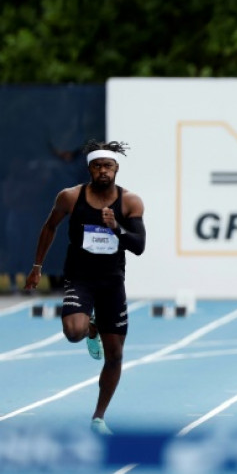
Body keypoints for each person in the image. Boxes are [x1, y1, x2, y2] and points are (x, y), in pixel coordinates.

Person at [24, 140, 146, 435]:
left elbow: (139, 246)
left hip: (112, 282)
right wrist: (37, 266)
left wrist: (115, 227)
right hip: (79, 277)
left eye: (109, 166)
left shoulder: (130, 202)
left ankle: (98, 418)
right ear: (89, 168)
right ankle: (90, 327)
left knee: (115, 355)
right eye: (98, 166)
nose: (103, 171)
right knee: (73, 332)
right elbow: (50, 226)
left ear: (117, 168)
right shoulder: (70, 196)